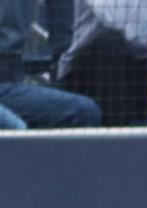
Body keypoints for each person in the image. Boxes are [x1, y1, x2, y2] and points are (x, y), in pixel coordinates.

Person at [0, 0, 101, 128]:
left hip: (11, 81)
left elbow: (64, 43)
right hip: (6, 84)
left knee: (84, 110)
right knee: (16, 127)